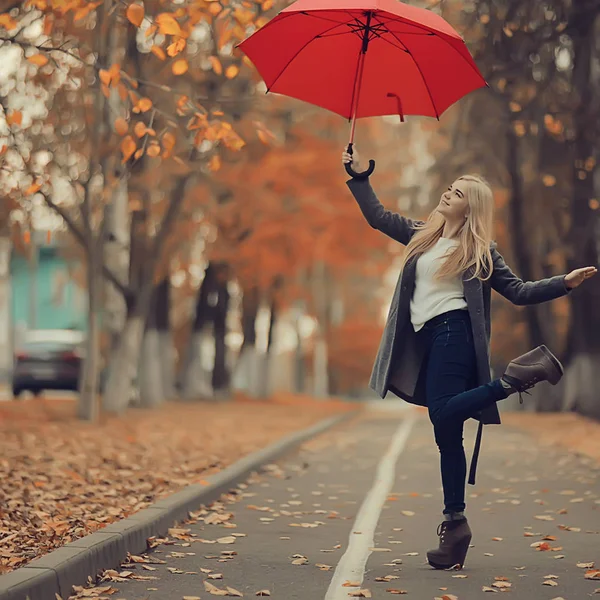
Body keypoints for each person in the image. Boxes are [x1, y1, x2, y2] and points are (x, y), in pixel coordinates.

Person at [342, 147, 597, 570]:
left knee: (441, 414)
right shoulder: (422, 235)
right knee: (447, 432)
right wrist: (359, 177)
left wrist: (563, 284)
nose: (447, 194)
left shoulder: (480, 251)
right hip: (427, 341)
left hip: (454, 336)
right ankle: (455, 526)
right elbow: (378, 217)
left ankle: (515, 379)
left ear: (470, 206)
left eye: (457, 193)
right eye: (449, 188)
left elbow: (519, 291)